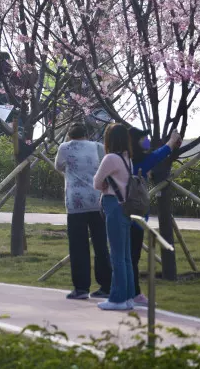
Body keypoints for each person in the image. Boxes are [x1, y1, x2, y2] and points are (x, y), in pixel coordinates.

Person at [54, 122, 110, 300]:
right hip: (98, 200)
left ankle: (81, 288)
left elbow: (58, 166)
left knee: (78, 246)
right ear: (87, 134)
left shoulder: (64, 147)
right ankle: (106, 286)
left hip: (75, 203)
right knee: (101, 245)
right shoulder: (98, 147)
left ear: (69, 135)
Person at [127, 127, 182, 305]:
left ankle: (126, 291)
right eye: (143, 139)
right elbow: (159, 154)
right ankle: (134, 293)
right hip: (135, 219)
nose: (147, 142)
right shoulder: (137, 163)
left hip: (127, 216)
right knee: (132, 258)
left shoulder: (124, 160)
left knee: (126, 257)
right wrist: (172, 141)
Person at [92, 122, 135, 311]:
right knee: (125, 256)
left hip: (113, 205)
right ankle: (128, 297)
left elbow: (96, 182)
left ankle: (117, 299)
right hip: (125, 207)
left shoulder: (110, 158)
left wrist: (103, 185)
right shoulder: (127, 159)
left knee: (116, 256)